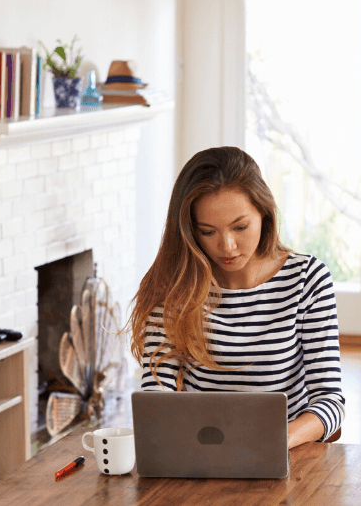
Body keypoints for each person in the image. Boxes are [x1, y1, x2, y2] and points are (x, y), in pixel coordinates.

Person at [128, 146, 345, 450]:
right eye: (208, 231)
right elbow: (157, 397)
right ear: (190, 230)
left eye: (240, 227)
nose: (227, 246)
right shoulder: (176, 286)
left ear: (264, 213)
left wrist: (275, 441)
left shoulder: (306, 279)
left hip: (285, 458)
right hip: (198, 457)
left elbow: (330, 401)